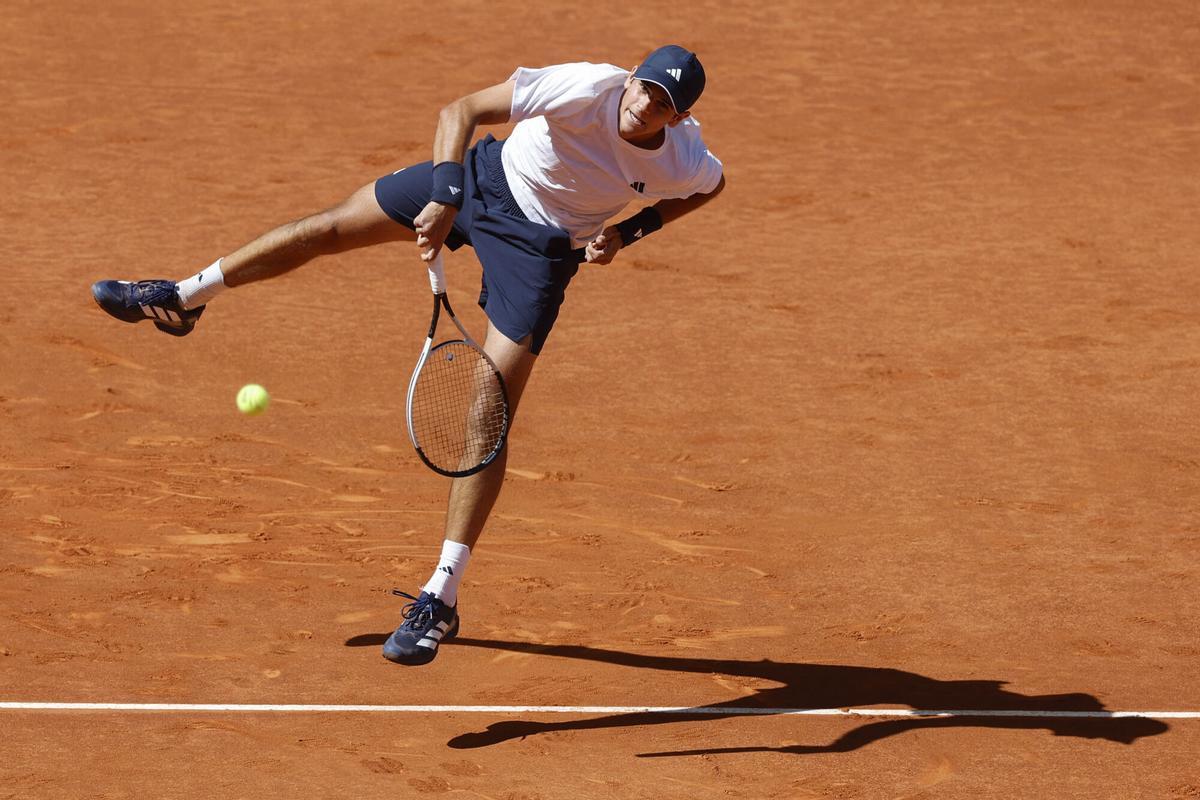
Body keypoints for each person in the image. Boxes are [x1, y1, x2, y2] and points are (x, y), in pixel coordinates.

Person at [90, 44, 726, 666]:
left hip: (540, 248)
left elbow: (710, 186)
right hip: (481, 180)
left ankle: (440, 596)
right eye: (645, 87)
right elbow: (460, 110)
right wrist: (446, 196)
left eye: (663, 103)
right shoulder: (586, 86)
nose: (643, 104)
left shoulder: (683, 158)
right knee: (327, 228)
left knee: (489, 411)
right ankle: (182, 296)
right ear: (633, 76)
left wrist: (628, 231)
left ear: (678, 117)